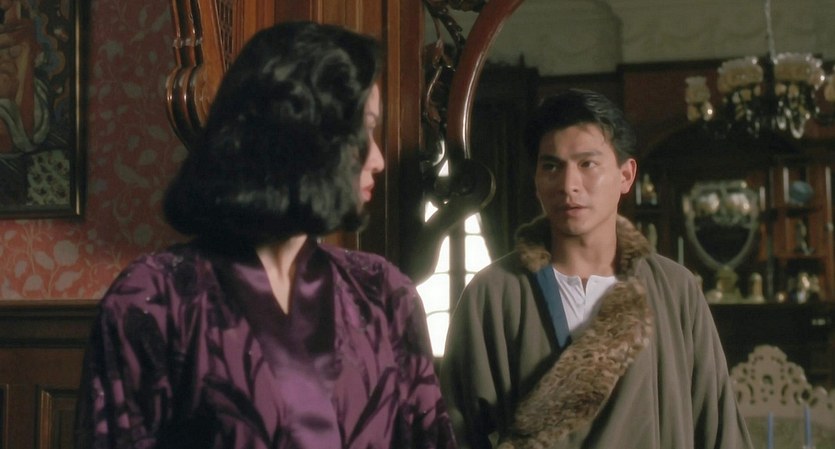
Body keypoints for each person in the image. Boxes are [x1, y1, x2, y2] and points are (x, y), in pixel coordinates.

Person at [74, 21, 456, 449]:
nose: (379, 159)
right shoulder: (156, 297)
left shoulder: (384, 294)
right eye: (363, 130)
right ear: (301, 132)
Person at [440, 89, 751, 449]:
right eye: (551, 166)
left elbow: (719, 428)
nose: (568, 185)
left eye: (587, 164)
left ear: (626, 175)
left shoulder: (674, 289)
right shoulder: (494, 293)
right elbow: (453, 432)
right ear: (536, 179)